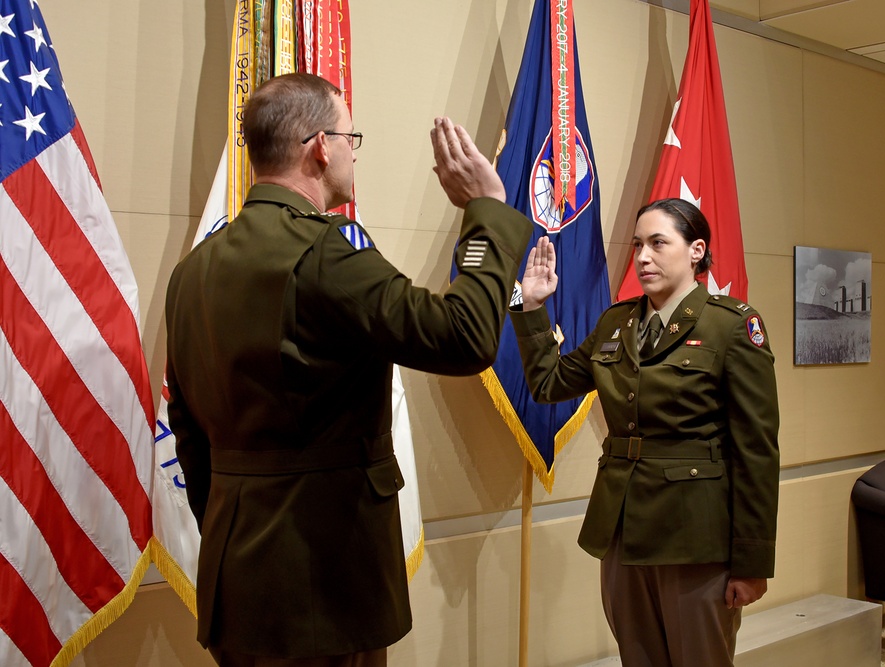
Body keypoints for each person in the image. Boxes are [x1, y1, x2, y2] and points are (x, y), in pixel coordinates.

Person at [164, 72, 532, 667]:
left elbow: (189, 432)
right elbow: (464, 337)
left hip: (239, 577)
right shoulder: (323, 252)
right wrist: (486, 213)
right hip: (322, 581)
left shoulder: (194, 270)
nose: (350, 152)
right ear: (319, 147)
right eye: (349, 137)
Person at [511, 198, 779, 666]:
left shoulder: (731, 326)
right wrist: (532, 307)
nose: (643, 256)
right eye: (637, 244)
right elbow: (549, 383)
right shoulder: (618, 322)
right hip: (622, 530)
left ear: (697, 250)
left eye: (658, 243)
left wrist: (752, 564)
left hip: (695, 538)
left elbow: (756, 453)